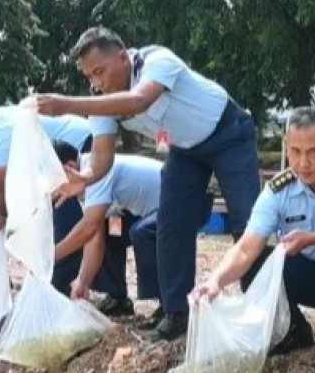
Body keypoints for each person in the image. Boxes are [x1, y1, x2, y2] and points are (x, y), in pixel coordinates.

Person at [34, 27, 262, 340]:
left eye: (99, 72)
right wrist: (86, 178)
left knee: (249, 224)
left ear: (124, 57)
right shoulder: (103, 105)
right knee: (169, 225)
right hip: (185, 150)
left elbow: (139, 100)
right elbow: (103, 158)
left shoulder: (157, 60)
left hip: (228, 133)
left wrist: (68, 104)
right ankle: (176, 314)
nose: (97, 84)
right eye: (90, 78)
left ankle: (268, 314)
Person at [189, 107, 315, 358]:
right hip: (306, 277)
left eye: (313, 152)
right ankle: (295, 330)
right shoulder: (278, 190)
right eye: (295, 152)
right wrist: (214, 281)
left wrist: (310, 238)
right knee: (256, 263)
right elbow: (245, 247)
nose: (303, 163)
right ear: (287, 147)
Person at [0, 103, 96, 298]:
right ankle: (59, 281)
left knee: (76, 217)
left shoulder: (2, 130)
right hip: (53, 166)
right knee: (60, 218)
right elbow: (1, 179)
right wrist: (0, 213)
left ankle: (60, 282)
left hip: (77, 147)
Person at [56, 145, 165, 320]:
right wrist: (82, 282)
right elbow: (95, 237)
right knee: (112, 232)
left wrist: (53, 254)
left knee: (142, 233)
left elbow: (88, 228)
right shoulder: (82, 185)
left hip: (178, 203)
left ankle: (168, 305)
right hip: (147, 211)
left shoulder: (94, 169)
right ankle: (117, 297)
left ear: (69, 167)